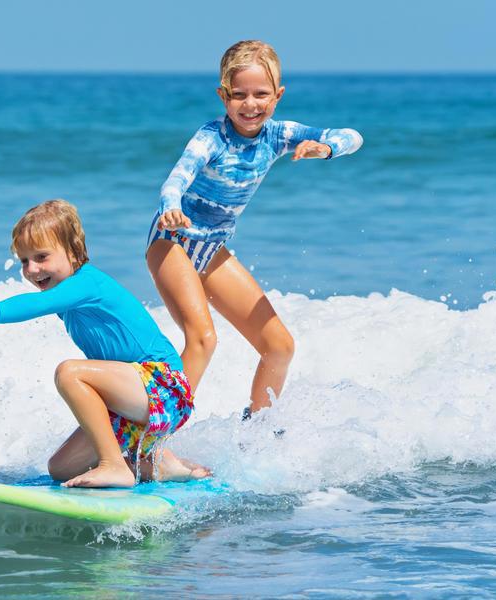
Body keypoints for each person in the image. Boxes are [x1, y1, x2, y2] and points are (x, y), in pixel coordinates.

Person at [146, 40, 363, 418]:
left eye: (261, 94)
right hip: (173, 242)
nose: (250, 104)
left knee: (279, 346)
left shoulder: (278, 135)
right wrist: (171, 208)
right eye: (239, 95)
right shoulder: (211, 137)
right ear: (223, 95)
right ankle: (148, 435)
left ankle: (256, 435)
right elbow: (176, 179)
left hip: (211, 251)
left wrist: (324, 149)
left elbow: (352, 136)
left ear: (277, 96)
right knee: (202, 340)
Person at [0, 199, 209, 488]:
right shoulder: (67, 296)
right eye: (24, 260)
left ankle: (115, 467)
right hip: (133, 400)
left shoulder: (86, 284)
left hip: (165, 388)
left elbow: (36, 304)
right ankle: (160, 465)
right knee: (61, 467)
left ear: (74, 252)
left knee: (70, 372)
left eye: (41, 257)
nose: (32, 269)